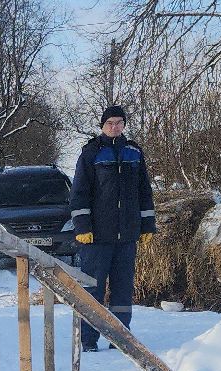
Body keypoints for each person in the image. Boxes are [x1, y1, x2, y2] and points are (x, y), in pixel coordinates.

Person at [68, 104, 155, 352]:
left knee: (122, 290)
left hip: (127, 236)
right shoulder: (91, 153)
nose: (114, 127)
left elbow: (144, 192)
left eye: (119, 122)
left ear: (124, 125)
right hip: (96, 237)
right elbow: (79, 194)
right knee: (93, 289)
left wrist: (148, 224)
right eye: (110, 123)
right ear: (102, 126)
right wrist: (82, 226)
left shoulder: (134, 152)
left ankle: (120, 337)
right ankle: (89, 339)